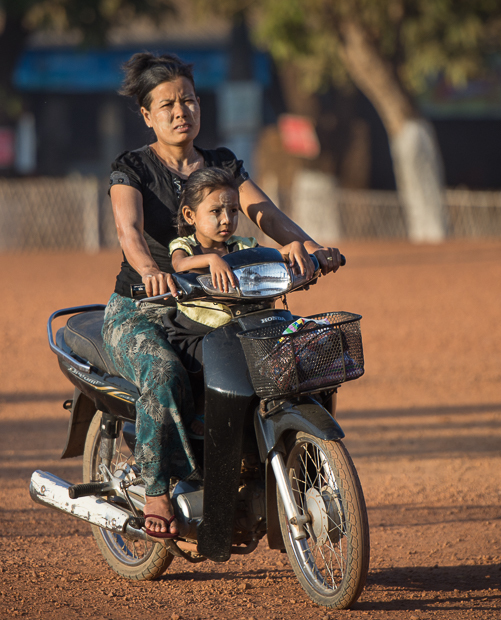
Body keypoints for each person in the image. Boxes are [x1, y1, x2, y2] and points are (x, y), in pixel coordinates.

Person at [103, 51, 341, 539]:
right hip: (145, 308)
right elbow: (129, 231)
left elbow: (267, 214)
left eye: (187, 100)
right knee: (164, 373)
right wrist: (152, 270)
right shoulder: (132, 168)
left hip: (220, 307)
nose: (179, 111)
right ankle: (156, 490)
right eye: (166, 104)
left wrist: (310, 247)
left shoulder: (222, 165)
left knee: (278, 364)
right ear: (147, 115)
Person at [162, 167, 309, 438]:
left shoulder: (242, 247)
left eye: (233, 211)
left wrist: (295, 247)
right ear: (190, 215)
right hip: (196, 331)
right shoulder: (186, 245)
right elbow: (179, 265)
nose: (226, 219)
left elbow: (273, 254)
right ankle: (201, 411)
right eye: (215, 211)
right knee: (215, 361)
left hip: (238, 329)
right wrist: (209, 260)